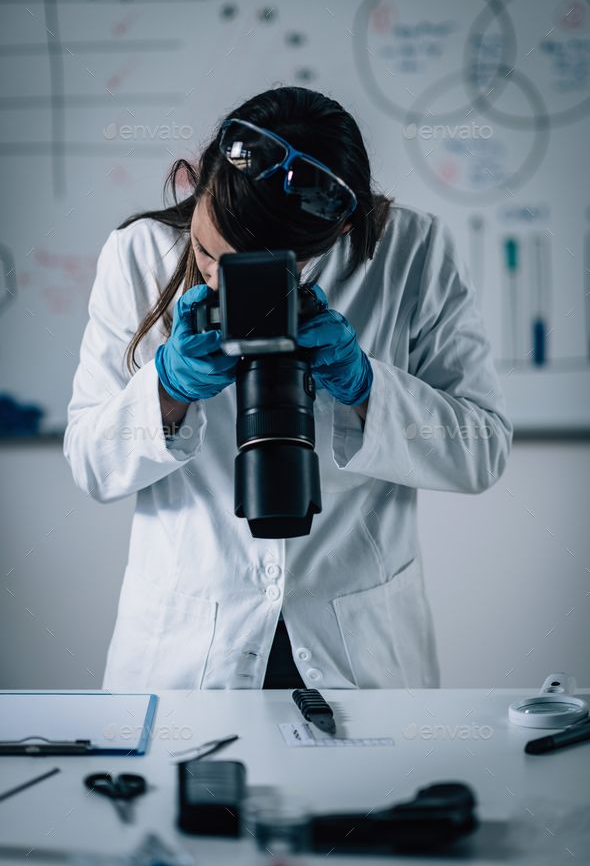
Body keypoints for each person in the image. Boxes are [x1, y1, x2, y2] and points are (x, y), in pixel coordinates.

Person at [63, 86, 512, 691]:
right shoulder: (138, 254)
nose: (224, 283)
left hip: (360, 648)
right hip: (184, 650)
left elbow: (480, 451)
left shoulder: (412, 251)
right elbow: (91, 464)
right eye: (207, 253)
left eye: (265, 271)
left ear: (332, 238)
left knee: (372, 787)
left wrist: (366, 387)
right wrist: (167, 390)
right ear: (197, 180)